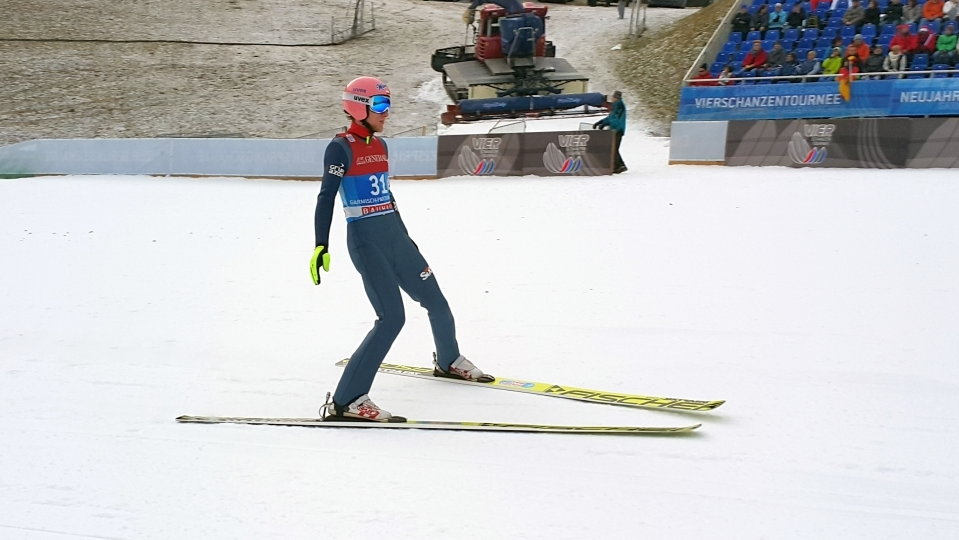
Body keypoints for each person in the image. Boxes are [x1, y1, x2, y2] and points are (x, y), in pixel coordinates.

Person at [313, 75, 493, 422]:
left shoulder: (380, 146)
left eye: (388, 104)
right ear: (358, 107)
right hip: (367, 241)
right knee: (392, 318)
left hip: (395, 237)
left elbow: (386, 196)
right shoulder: (341, 147)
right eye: (380, 105)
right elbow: (325, 197)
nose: (387, 113)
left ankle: (449, 361)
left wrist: (404, 236)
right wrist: (321, 244)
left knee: (436, 301)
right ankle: (346, 401)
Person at [593, 90, 627, 173]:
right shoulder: (616, 105)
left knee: (613, 148)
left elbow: (614, 119)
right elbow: (611, 117)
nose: (611, 98)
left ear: (616, 98)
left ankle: (618, 167)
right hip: (616, 129)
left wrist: (605, 124)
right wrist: (601, 122)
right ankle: (621, 166)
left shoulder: (618, 105)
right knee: (614, 148)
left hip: (617, 130)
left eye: (613, 97)